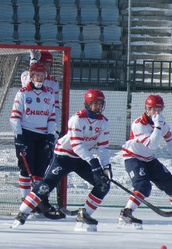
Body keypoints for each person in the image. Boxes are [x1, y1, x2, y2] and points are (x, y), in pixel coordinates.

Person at [11, 89, 112, 232]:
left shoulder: (103, 122)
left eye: (100, 104)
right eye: (95, 103)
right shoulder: (76, 119)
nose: (98, 107)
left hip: (82, 158)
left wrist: (106, 166)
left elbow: (103, 147)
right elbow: (77, 145)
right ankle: (23, 213)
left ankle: (85, 214)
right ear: (87, 104)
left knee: (103, 185)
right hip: (64, 156)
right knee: (46, 186)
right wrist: (94, 163)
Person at [118, 94, 172, 229]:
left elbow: (170, 140)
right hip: (133, 157)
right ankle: (126, 213)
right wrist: (158, 127)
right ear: (147, 109)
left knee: (171, 183)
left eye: (159, 110)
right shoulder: (138, 124)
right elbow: (152, 145)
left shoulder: (161, 123)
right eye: (154, 110)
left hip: (148, 158)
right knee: (143, 185)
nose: (157, 113)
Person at [11, 62, 60, 218]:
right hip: (26, 134)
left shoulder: (49, 94)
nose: (39, 78)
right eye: (36, 75)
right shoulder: (23, 93)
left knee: (40, 170)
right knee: (26, 169)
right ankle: (26, 200)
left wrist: (50, 135)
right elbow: (15, 117)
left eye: (42, 75)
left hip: (43, 136)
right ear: (31, 76)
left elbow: (52, 117)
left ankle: (37, 200)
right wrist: (19, 136)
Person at [21, 50, 60, 132]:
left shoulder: (53, 83)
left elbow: (55, 106)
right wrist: (33, 63)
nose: (47, 67)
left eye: (49, 65)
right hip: (27, 123)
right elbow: (28, 82)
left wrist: (55, 126)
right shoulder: (25, 75)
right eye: (44, 64)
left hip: (44, 124)